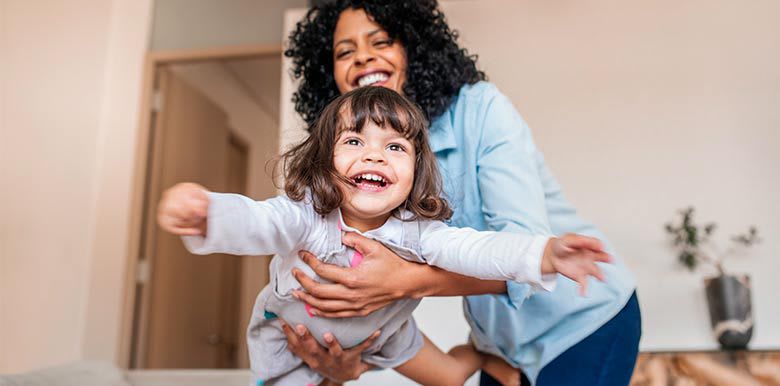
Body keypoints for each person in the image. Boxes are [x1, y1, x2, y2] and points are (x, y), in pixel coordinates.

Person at [279, 1, 642, 385]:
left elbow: (523, 250)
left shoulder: (481, 109)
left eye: (381, 41)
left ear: (414, 48)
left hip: (583, 319)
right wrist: (352, 363)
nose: (363, 57)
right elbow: (367, 288)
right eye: (344, 51)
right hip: (499, 345)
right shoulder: (350, 164)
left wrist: (408, 280)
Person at [157, 86, 612, 386]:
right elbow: (257, 221)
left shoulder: (420, 232)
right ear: (323, 163)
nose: (374, 156)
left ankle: (480, 357)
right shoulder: (306, 215)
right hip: (293, 337)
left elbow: (478, 249)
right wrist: (207, 214)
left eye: (394, 147)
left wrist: (546, 253)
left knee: (452, 378)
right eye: (354, 142)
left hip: (384, 333)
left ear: (415, 173)